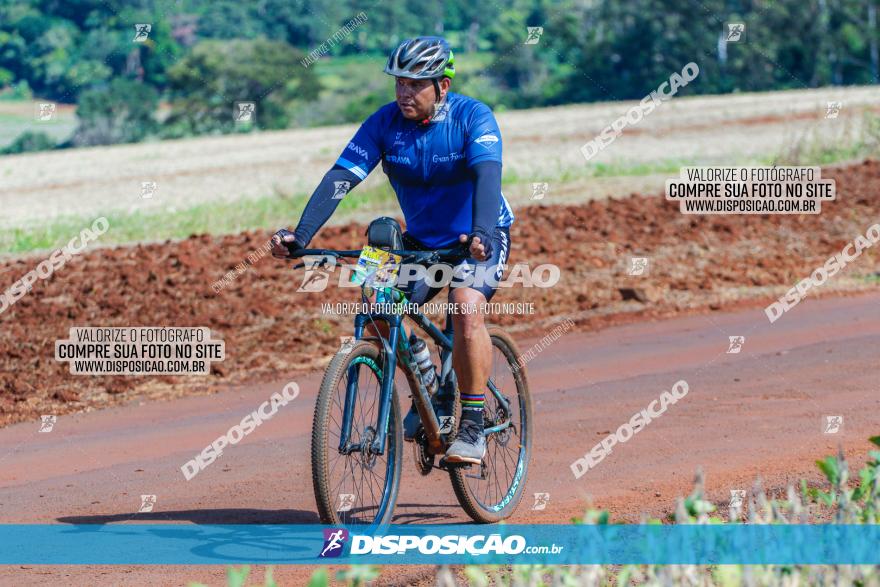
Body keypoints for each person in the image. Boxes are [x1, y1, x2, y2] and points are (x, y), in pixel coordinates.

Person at [271, 36, 514, 465]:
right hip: (418, 240)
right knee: (374, 302)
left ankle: (472, 424)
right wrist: (301, 235)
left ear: (443, 85)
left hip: (477, 237)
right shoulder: (383, 123)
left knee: (463, 304)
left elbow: (487, 176)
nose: (403, 93)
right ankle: (423, 374)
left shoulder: (473, 116)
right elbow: (340, 178)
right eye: (399, 83)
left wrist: (482, 233)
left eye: (415, 84)